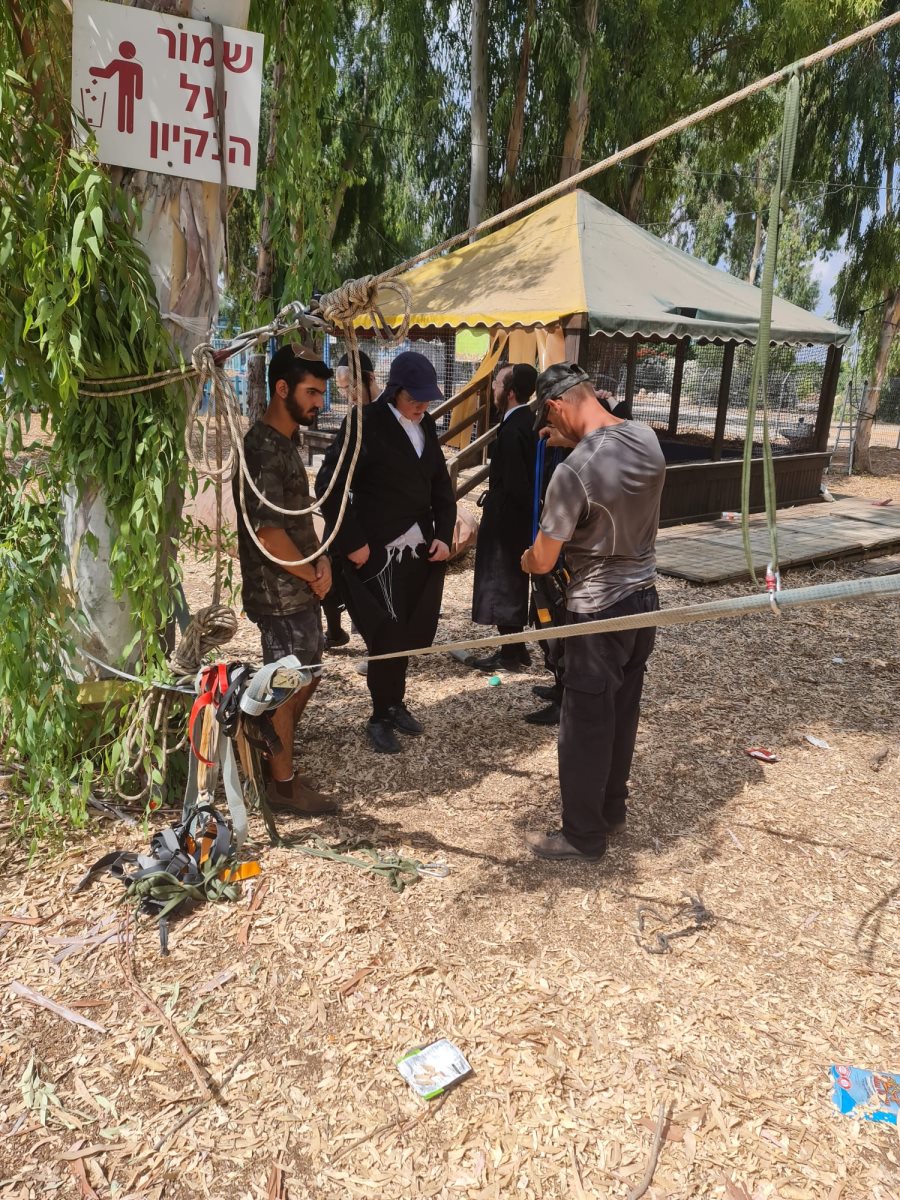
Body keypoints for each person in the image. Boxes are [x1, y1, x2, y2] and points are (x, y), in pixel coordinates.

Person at [519, 362, 666, 862]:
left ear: (556, 406)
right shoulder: (646, 438)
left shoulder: (573, 472)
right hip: (643, 600)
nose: (551, 430)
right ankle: (611, 808)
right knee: (622, 712)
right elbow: (608, 457)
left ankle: (583, 836)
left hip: (595, 609)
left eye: (551, 419)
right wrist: (573, 443)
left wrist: (526, 560)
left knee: (584, 724)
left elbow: (544, 558)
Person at [317, 352, 457, 754]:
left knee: (409, 629)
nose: (423, 406)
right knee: (385, 633)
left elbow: (440, 488)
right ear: (395, 391)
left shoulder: (425, 423)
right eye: (416, 398)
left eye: (428, 399)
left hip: (421, 548)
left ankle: (396, 703)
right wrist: (352, 543)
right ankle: (379, 714)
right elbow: (329, 487)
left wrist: (445, 535)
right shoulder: (363, 423)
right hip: (376, 550)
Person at [233, 344, 337, 815]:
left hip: (297, 587)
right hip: (279, 593)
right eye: (311, 392)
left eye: (321, 392)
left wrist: (323, 561)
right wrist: (311, 571)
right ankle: (282, 786)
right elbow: (268, 533)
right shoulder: (260, 449)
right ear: (281, 389)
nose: (319, 402)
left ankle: (273, 759)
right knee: (286, 682)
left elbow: (297, 521)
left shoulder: (285, 442)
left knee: (303, 677)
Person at [468, 363, 538, 674]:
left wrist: (502, 521)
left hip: (508, 522)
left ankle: (510, 653)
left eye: (497, 383)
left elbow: (516, 485)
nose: (493, 387)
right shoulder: (525, 422)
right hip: (516, 517)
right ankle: (516, 648)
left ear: (509, 393)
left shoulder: (514, 429)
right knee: (509, 583)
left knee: (503, 584)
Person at [321, 350, 379, 650]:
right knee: (327, 563)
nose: (347, 395)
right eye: (342, 389)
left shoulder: (384, 415)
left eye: (350, 387)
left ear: (370, 379)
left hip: (373, 513)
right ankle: (334, 630)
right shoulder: (352, 418)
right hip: (347, 507)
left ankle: (373, 642)